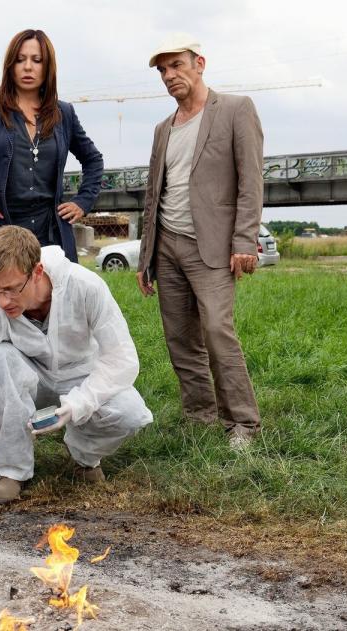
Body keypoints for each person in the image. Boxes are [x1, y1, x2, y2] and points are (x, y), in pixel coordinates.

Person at [0, 28, 104, 450]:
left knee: (62, 321)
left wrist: (82, 201)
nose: (28, 67)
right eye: (20, 59)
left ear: (48, 67)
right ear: (10, 64)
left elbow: (94, 160)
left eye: (37, 60)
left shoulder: (62, 112)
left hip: (49, 232)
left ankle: (71, 412)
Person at [0, 226, 153, 504]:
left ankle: (85, 458)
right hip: (29, 379)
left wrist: (80, 402)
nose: (3, 301)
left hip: (81, 376)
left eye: (12, 289)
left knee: (130, 413)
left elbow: (120, 358)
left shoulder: (85, 286)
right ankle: (12, 471)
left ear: (36, 272)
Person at [135, 34, 264, 449]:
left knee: (216, 330)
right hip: (167, 246)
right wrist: (146, 257)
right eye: (162, 70)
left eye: (177, 65)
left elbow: (251, 180)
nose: (170, 75)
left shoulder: (235, 109)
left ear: (200, 64)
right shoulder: (162, 128)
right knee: (180, 338)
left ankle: (243, 423)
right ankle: (200, 416)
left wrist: (244, 240)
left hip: (211, 246)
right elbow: (154, 194)